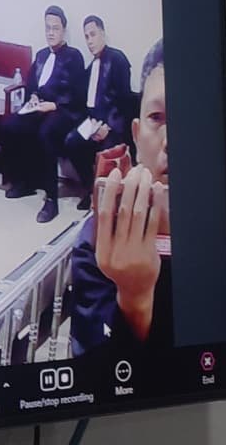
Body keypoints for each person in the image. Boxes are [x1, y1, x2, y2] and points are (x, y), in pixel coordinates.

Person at [70, 39, 170, 356]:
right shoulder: (99, 241)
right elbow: (95, 375)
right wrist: (134, 298)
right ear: (137, 136)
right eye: (158, 117)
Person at [0, 5, 86, 223]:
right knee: (8, 127)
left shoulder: (74, 57)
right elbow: (32, 85)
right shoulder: (41, 55)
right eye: (47, 28)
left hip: (64, 110)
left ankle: (51, 199)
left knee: (46, 133)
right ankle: (26, 181)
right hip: (40, 108)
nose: (51, 33)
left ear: (64, 30)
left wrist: (54, 105)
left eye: (55, 28)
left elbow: (77, 94)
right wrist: (34, 97)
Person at [64, 16, 134, 210]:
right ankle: (90, 189)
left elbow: (125, 101)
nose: (90, 41)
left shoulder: (117, 59)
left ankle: (103, 197)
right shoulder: (90, 67)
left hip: (113, 125)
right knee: (71, 141)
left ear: (103, 34)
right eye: (86, 37)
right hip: (92, 121)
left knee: (107, 149)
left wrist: (108, 127)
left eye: (93, 34)